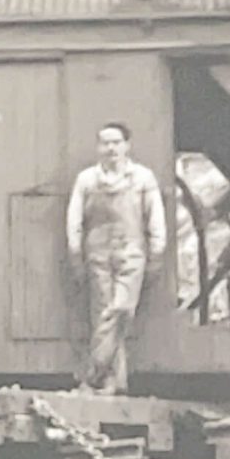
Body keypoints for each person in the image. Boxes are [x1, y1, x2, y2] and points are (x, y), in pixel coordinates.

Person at [64, 121, 168, 394]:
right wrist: (75, 254)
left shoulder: (143, 178)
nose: (111, 148)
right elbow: (75, 220)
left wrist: (157, 252)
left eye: (116, 142)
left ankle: (93, 374)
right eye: (105, 143)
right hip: (97, 253)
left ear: (127, 146)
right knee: (102, 315)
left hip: (131, 253)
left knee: (121, 310)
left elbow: (155, 218)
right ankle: (115, 382)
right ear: (98, 147)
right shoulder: (86, 180)